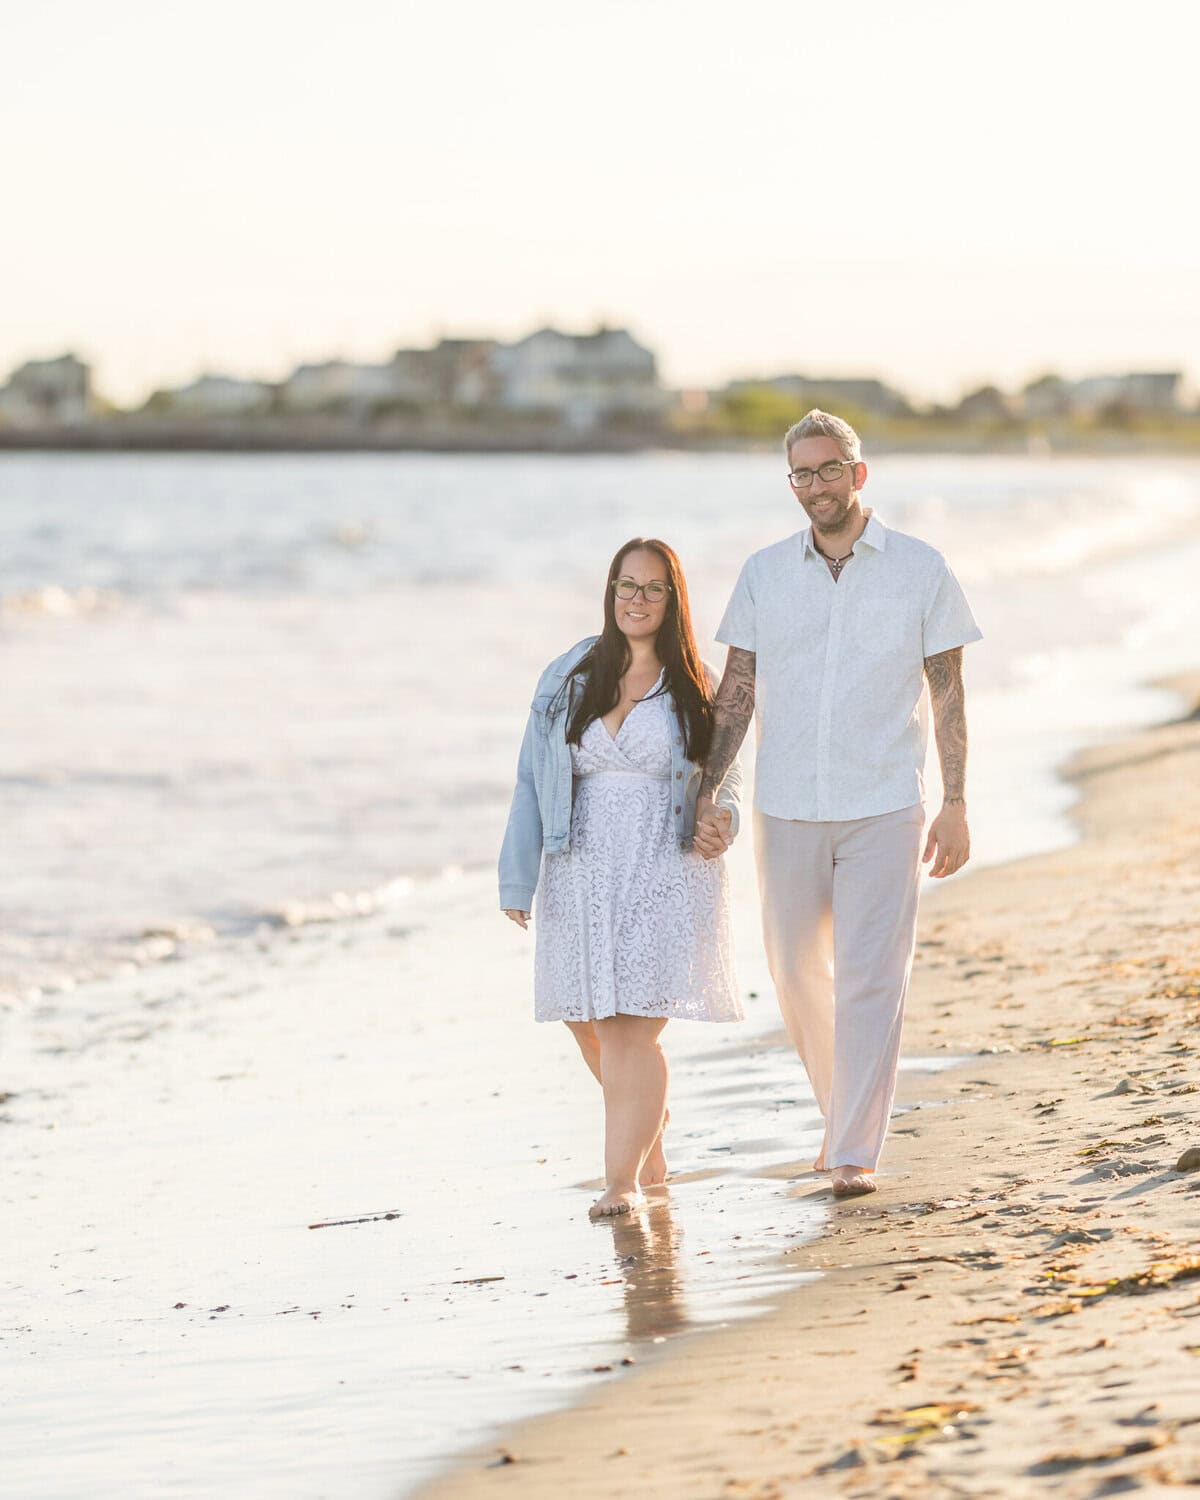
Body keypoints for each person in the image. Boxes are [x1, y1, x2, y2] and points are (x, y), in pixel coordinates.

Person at [695, 410, 982, 1198]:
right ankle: (841, 1115)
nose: (816, 485)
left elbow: (948, 693)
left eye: (829, 470)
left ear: (859, 474)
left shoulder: (921, 568)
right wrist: (707, 789)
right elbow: (736, 692)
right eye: (802, 474)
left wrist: (955, 801)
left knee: (869, 978)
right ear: (792, 483)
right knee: (793, 971)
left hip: (886, 802)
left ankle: (853, 1149)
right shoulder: (764, 572)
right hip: (786, 804)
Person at [499, 537, 744, 1220]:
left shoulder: (698, 682)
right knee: (586, 1020)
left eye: (652, 588)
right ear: (610, 593)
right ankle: (647, 1139)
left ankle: (621, 1183)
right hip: (578, 868)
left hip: (665, 866)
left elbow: (728, 783)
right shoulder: (570, 674)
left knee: (629, 1027)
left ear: (674, 600)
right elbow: (530, 776)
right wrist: (516, 878)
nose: (636, 600)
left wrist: (721, 819)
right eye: (625, 586)